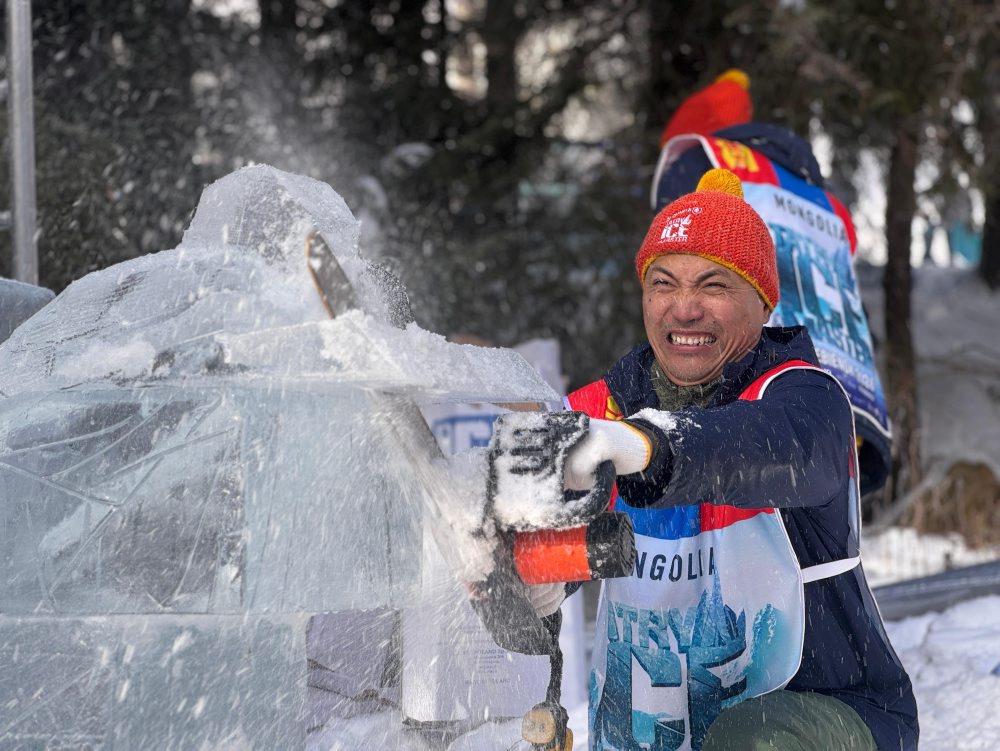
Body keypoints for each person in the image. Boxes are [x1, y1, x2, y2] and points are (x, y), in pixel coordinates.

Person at [489, 168, 918, 750]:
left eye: (715, 286)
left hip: (828, 713)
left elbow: (785, 449)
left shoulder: (804, 397)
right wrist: (523, 587)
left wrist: (647, 445)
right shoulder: (597, 412)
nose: (684, 309)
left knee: (747, 737)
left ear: (762, 302)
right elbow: (535, 569)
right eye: (663, 283)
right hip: (652, 727)